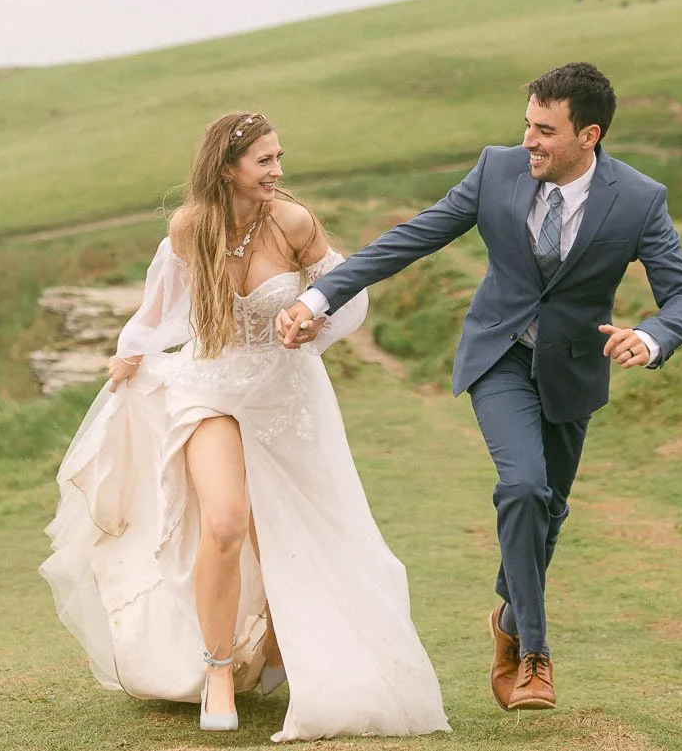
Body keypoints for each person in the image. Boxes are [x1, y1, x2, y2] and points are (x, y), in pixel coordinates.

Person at [276, 61, 682, 712]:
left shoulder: (639, 199)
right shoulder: (496, 169)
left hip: (572, 372)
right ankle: (533, 653)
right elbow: (410, 239)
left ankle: (505, 617)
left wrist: (649, 337)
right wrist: (318, 296)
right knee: (524, 486)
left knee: (548, 510)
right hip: (500, 357)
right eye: (527, 124)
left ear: (589, 135)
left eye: (545, 130)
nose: (528, 140)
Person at [41, 111, 450, 742]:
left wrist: (312, 324)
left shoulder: (293, 221)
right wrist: (130, 354)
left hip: (286, 395)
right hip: (209, 387)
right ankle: (218, 669)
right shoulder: (189, 227)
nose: (277, 170)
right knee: (226, 521)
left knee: (289, 529)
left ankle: (285, 643)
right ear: (227, 167)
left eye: (278, 157)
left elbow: (350, 293)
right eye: (264, 160)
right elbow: (159, 309)